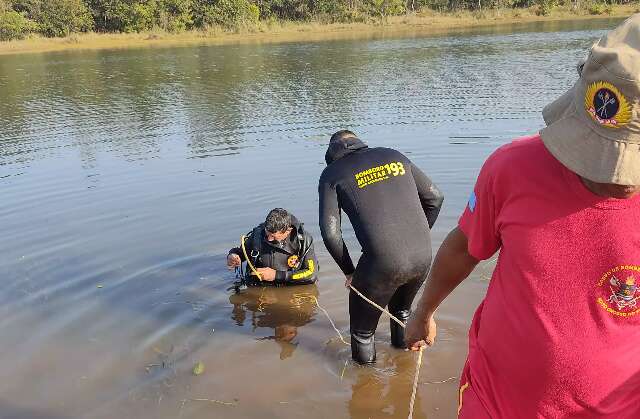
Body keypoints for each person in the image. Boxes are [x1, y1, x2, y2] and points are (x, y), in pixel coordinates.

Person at [405, 15, 640, 418]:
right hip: (495, 399)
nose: (608, 180)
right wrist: (423, 311)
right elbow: (464, 247)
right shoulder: (512, 167)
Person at [318, 130, 444, 364]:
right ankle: (402, 360)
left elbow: (330, 232)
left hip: (381, 263)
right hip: (422, 255)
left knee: (363, 333)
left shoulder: (332, 174)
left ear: (332, 153)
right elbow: (435, 197)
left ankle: (366, 391)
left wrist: (350, 272)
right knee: (402, 313)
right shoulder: (394, 156)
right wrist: (417, 236)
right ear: (358, 142)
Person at [227, 208, 318, 286]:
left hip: (289, 288)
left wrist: (276, 275)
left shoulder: (303, 240)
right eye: (267, 234)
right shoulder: (258, 235)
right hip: (259, 286)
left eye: (274, 236)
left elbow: (311, 274)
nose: (269, 239)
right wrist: (234, 255)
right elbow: (242, 253)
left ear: (288, 231)